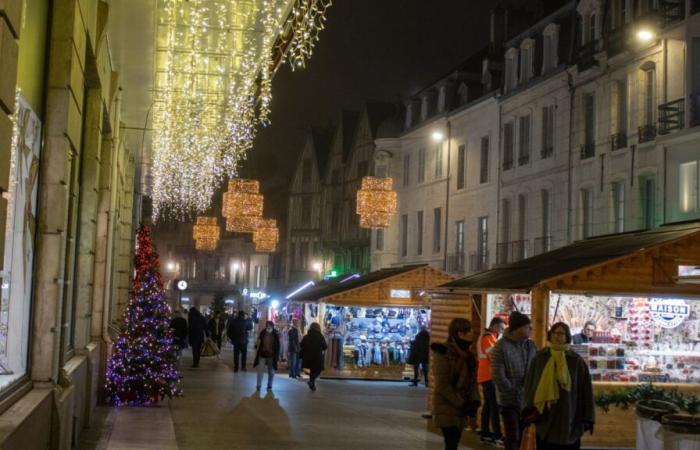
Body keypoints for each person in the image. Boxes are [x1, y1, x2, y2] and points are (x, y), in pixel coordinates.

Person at [523, 322, 595, 450]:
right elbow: (530, 384)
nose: (557, 336)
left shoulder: (576, 361)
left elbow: (586, 390)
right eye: (555, 333)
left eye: (561, 333)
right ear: (550, 335)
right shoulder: (540, 357)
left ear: (567, 336)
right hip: (545, 417)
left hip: (569, 416)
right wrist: (527, 409)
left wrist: (588, 417)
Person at [431, 318, 481, 450]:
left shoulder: (469, 355)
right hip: (447, 405)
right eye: (468, 331)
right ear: (459, 334)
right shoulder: (443, 352)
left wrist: (474, 401)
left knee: (453, 443)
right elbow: (442, 385)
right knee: (451, 443)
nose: (472, 333)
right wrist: (462, 403)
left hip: (461, 406)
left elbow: (472, 381)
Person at [491, 311, 538, 450]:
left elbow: (537, 368)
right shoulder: (501, 346)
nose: (530, 329)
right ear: (518, 328)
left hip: (527, 400)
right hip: (509, 400)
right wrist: (513, 391)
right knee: (513, 437)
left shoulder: (531, 346)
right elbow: (498, 375)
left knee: (523, 435)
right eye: (527, 326)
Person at [477, 316, 506, 445]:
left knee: (488, 405)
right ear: (494, 326)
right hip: (488, 376)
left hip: (486, 376)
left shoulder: (490, 337)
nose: (502, 331)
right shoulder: (488, 338)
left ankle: (485, 432)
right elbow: (493, 356)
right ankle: (497, 435)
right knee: (493, 405)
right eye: (501, 328)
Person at [300, 322, 327, 391]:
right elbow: (325, 346)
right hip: (317, 357)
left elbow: (301, 344)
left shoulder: (307, 336)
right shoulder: (320, 336)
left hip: (308, 357)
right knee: (318, 370)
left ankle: (312, 385)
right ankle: (311, 381)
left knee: (312, 370)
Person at [254, 320, 280, 391]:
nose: (268, 327)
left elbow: (278, 345)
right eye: (267, 325)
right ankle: (258, 385)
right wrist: (257, 345)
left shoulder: (275, 333)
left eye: (269, 325)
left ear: (272, 326)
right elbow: (258, 342)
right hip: (262, 354)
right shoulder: (263, 332)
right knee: (260, 371)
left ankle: (269, 385)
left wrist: (277, 356)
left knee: (271, 372)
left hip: (271, 356)